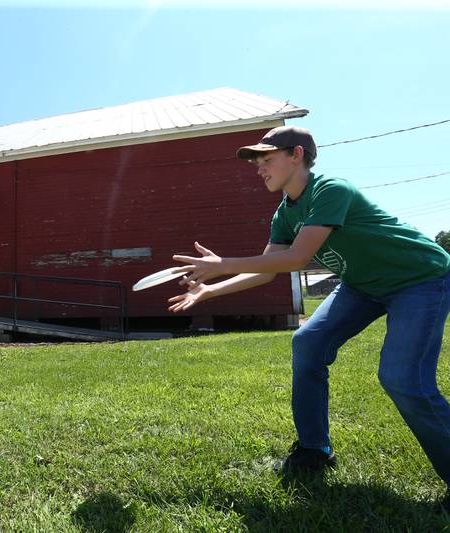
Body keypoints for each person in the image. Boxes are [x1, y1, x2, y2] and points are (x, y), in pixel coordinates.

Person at [168, 125, 450, 502]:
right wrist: (208, 290)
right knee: (309, 342)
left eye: (266, 159)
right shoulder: (284, 214)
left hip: (419, 278)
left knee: (403, 379)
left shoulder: (331, 189)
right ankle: (315, 450)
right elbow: (268, 269)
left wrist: (223, 264)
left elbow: (298, 258)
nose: (259, 169)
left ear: (296, 155)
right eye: (257, 163)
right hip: (363, 285)